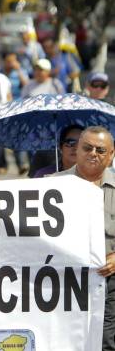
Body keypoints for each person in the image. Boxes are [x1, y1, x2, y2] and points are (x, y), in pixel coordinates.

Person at [53, 126, 115, 351]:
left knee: (105, 342)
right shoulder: (50, 185)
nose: (93, 154)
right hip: (62, 281)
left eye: (100, 150)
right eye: (87, 148)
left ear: (111, 155)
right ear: (76, 150)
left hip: (108, 281)